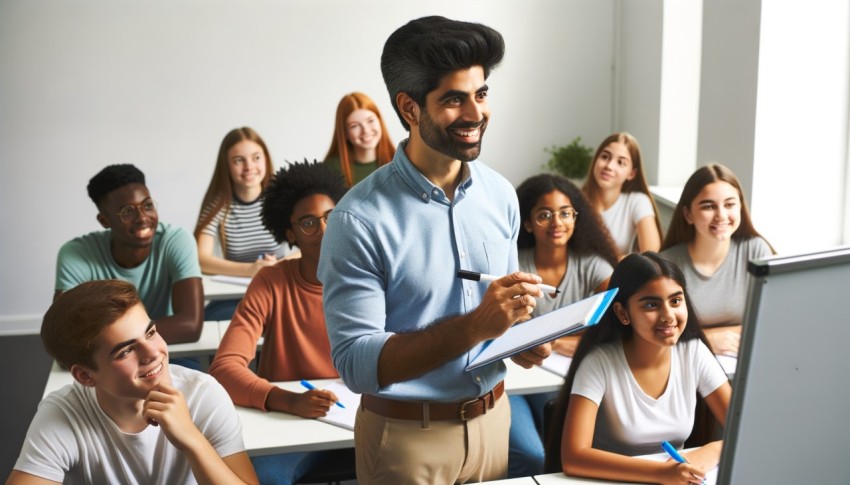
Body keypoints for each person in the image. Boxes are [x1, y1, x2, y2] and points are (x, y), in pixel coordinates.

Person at [318, 15, 551, 484]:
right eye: (453, 99)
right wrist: (475, 326)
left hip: (492, 422)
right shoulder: (356, 219)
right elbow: (358, 365)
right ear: (409, 108)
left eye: (481, 94)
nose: (475, 113)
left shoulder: (502, 194)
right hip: (407, 439)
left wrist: (521, 338)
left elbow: (502, 310)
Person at [8, 280, 257, 484]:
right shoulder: (65, 413)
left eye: (150, 333)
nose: (152, 353)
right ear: (85, 376)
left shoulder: (203, 394)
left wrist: (192, 439)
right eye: (126, 351)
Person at [209, 160, 348, 485]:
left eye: (331, 217)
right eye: (309, 223)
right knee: (267, 477)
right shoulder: (272, 282)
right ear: (290, 234)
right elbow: (224, 368)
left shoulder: (370, 278)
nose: (324, 231)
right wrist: (287, 400)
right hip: (289, 423)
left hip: (360, 419)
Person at [544, 252, 732, 484]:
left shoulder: (694, 353)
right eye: (652, 305)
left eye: (675, 301)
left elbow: (744, 430)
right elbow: (574, 457)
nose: (668, 316)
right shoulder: (599, 362)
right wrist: (661, 474)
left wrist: (713, 449)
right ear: (623, 313)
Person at [507, 173, 620, 477]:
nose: (557, 222)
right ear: (528, 223)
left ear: (576, 217)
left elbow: (613, 324)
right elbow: (522, 332)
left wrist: (552, 339)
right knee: (532, 456)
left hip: (566, 380)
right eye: (544, 215)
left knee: (587, 449)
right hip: (514, 382)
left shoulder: (593, 266)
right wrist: (575, 337)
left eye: (565, 213)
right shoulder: (514, 263)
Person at [55, 164, 203, 345]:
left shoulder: (176, 241)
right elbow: (62, 335)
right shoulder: (76, 254)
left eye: (147, 205)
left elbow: (189, 326)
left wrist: (109, 339)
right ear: (104, 221)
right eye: (128, 211)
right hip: (109, 365)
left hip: (167, 350)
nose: (142, 218)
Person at [660, 163, 775, 356]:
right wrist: (707, 340)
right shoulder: (667, 263)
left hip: (742, 359)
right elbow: (658, 334)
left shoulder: (756, 250)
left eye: (729, 204)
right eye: (708, 206)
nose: (721, 216)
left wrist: (709, 335)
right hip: (687, 362)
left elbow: (772, 319)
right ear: (688, 214)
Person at [195, 127, 293, 321]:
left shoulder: (284, 198)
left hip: (281, 290)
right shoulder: (218, 205)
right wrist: (250, 270)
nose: (249, 167)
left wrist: (277, 267)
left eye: (256, 158)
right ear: (227, 166)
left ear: (265, 159)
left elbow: (311, 246)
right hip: (237, 297)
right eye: (239, 160)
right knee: (212, 319)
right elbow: (200, 259)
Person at [582, 133, 663, 256]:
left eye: (620, 162)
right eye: (605, 157)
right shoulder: (574, 200)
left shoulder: (637, 201)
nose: (609, 166)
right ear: (595, 160)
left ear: (632, 173)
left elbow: (650, 254)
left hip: (618, 274)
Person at [323, 92, 396, 187]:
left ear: (379, 121)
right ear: (344, 132)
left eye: (370, 121)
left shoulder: (401, 162)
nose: (365, 130)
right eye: (354, 126)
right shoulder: (330, 170)